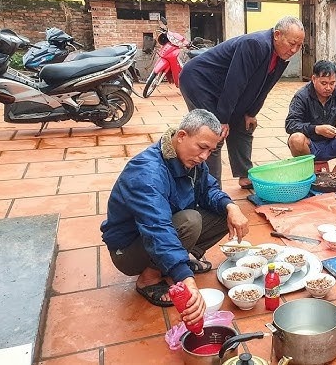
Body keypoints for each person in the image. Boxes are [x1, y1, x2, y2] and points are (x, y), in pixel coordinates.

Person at [101, 110, 249, 324]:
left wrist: (231, 206)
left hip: (164, 231)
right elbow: (157, 228)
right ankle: (149, 278)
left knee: (224, 215)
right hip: (128, 249)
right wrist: (186, 279)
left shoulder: (191, 161)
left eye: (211, 151)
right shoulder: (147, 172)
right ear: (181, 136)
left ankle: (176, 261)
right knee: (190, 220)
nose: (205, 156)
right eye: (202, 147)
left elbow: (208, 191)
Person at [179, 16, 305, 189]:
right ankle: (211, 190)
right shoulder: (255, 44)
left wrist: (250, 113)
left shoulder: (277, 53)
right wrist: (222, 119)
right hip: (200, 81)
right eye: (292, 43)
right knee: (213, 135)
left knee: (243, 125)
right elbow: (235, 82)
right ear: (277, 35)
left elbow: (263, 87)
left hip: (222, 88)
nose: (294, 49)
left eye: (299, 46)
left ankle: (245, 175)